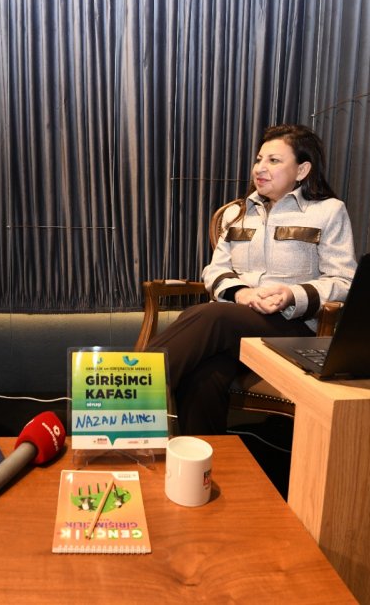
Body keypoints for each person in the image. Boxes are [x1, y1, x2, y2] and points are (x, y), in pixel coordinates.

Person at [149, 124, 357, 434]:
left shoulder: (328, 211)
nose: (260, 168)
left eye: (274, 160)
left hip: (293, 328)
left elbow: (344, 280)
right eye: (259, 159)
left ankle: (124, 396)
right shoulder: (238, 214)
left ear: (302, 170)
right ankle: (206, 460)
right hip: (236, 326)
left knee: (212, 316)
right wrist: (241, 293)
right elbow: (214, 270)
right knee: (205, 374)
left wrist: (291, 294)